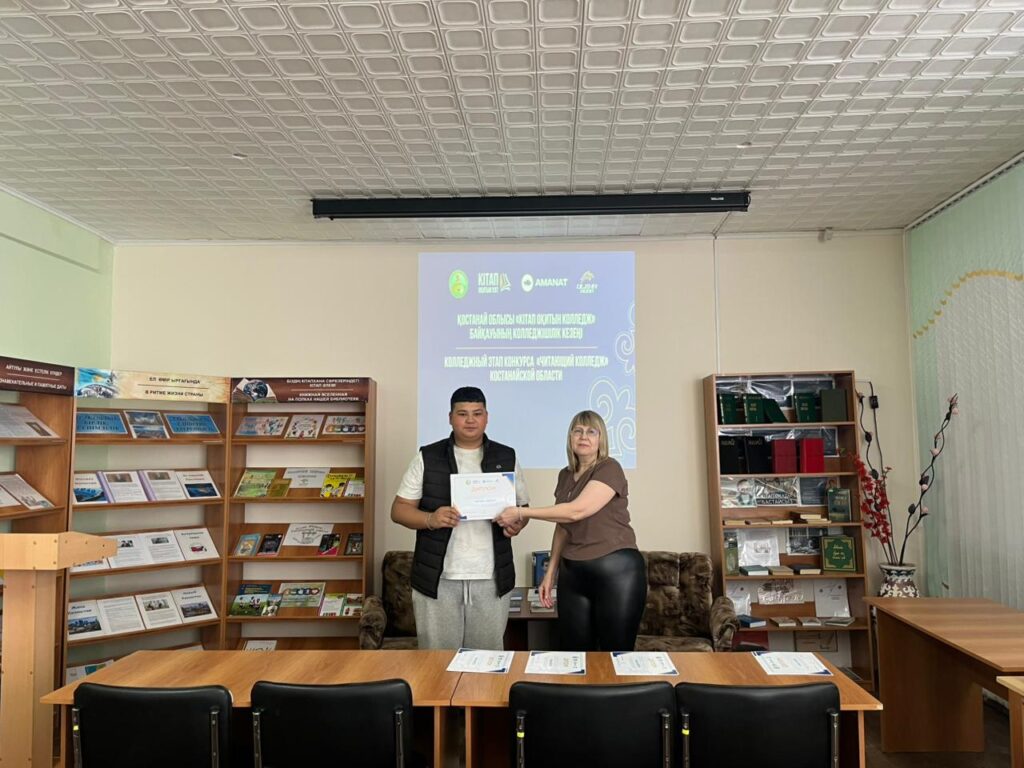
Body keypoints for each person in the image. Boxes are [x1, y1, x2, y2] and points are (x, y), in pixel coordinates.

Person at [391, 386, 530, 649]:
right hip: (438, 579)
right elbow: (399, 510)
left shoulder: (506, 456)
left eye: (477, 413)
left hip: (491, 578)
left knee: (487, 661)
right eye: (462, 414)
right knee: (437, 662)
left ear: (486, 417)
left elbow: (522, 508)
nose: (470, 420)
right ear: (450, 418)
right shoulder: (427, 456)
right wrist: (430, 519)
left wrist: (516, 524)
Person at [495, 410, 645, 651]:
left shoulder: (609, 468)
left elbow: (576, 511)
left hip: (616, 572)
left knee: (614, 654)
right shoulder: (565, 475)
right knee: (574, 653)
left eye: (591, 431)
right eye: (578, 431)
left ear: (601, 439)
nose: (584, 436)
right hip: (573, 574)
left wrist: (522, 512)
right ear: (570, 437)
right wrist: (550, 572)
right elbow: (563, 525)